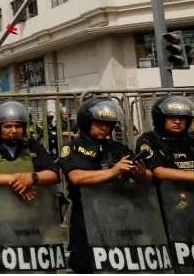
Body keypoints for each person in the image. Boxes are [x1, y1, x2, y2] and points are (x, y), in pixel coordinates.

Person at [57, 97, 151, 273]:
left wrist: (142, 173)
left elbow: (147, 177)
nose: (105, 127)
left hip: (120, 217)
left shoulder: (118, 148)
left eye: (108, 124)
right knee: (85, 265)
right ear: (86, 122)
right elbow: (77, 177)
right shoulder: (72, 147)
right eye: (99, 123)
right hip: (87, 218)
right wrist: (113, 171)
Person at [0, 101, 59, 202]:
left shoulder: (33, 146)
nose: (14, 130)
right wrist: (17, 180)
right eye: (8, 126)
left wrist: (32, 177)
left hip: (33, 211)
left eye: (18, 126)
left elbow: (53, 173)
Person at [135, 95, 194, 181]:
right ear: (161, 119)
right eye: (172, 117)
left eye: (182, 118)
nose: (177, 121)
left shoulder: (191, 140)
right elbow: (159, 172)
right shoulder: (148, 139)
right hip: (165, 191)